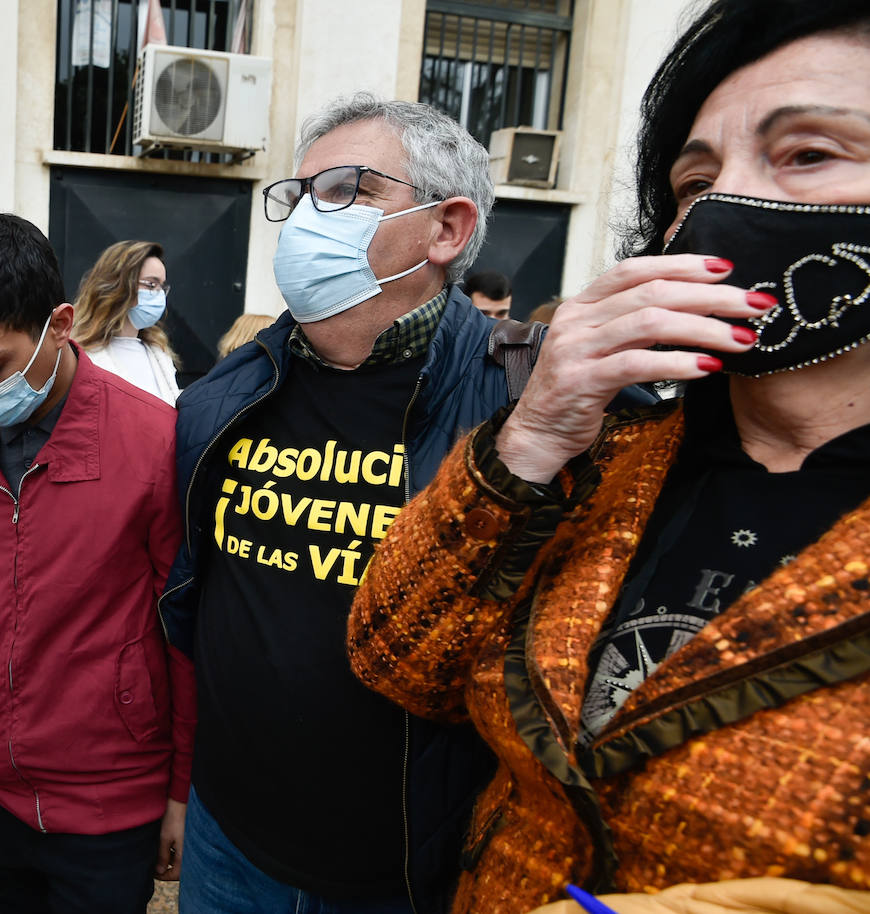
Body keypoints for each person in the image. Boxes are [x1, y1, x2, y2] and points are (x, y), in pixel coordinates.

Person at [347, 3, 870, 912]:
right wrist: (535, 437)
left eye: (809, 154)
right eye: (692, 181)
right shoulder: (616, 456)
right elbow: (396, 657)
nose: (719, 208)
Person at [163, 93, 505, 914]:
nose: (312, 216)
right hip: (229, 838)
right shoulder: (225, 394)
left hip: (405, 867)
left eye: (351, 189)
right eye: (306, 193)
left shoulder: (518, 401)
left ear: (446, 229)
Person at [0, 213, 193, 914]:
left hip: (108, 805)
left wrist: (180, 792)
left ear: (61, 323)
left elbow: (187, 636)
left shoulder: (158, 444)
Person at [72, 240, 181, 403]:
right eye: (151, 284)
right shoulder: (78, 356)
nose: (159, 295)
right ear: (119, 286)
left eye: (161, 286)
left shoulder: (159, 353)